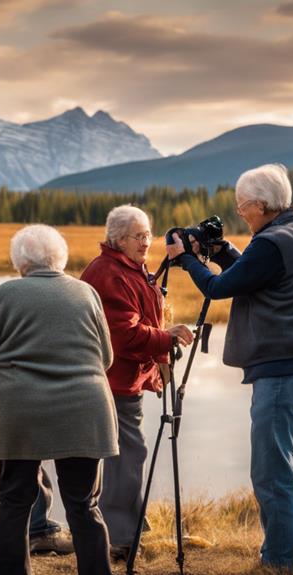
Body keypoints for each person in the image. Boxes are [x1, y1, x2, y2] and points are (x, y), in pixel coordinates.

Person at [166, 163, 293, 571]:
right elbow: (253, 274)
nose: (240, 213)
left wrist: (187, 259)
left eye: (243, 207)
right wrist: (223, 253)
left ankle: (280, 561)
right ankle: (278, 554)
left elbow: (219, 288)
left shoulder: (273, 242)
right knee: (277, 464)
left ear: (261, 204)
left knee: (272, 472)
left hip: (283, 369)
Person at [0, 224, 118, 575]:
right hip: (84, 410)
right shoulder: (86, 293)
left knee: (15, 503)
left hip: (20, 411)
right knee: (84, 506)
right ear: (60, 257)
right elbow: (105, 358)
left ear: (20, 261)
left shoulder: (8, 293)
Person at [79, 205, 194, 562]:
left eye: (148, 234)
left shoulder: (128, 266)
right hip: (113, 381)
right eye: (138, 236)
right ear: (118, 239)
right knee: (126, 455)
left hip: (126, 378)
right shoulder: (108, 273)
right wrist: (165, 338)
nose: (146, 242)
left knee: (126, 454)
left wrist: (160, 344)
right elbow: (124, 336)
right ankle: (119, 537)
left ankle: (126, 526)